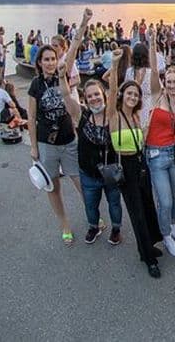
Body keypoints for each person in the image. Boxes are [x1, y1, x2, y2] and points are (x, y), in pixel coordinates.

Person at [27, 9, 90, 245]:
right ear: (40, 63)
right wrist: (34, 147)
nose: (51, 62)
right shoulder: (35, 85)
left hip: (68, 139)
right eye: (47, 59)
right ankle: (64, 223)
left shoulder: (63, 75)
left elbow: (73, 46)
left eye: (53, 58)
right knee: (52, 187)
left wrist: (83, 22)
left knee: (80, 181)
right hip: (47, 144)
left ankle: (91, 215)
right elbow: (31, 117)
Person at [107, 48, 163, 278]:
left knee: (148, 205)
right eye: (129, 94)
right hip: (126, 167)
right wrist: (115, 63)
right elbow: (111, 89)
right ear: (122, 96)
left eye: (136, 95)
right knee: (137, 212)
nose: (132, 97)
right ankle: (147, 258)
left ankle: (149, 245)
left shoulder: (137, 116)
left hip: (141, 164)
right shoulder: (114, 115)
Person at [59, 57, 123, 246]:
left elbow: (114, 88)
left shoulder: (112, 114)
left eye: (97, 94)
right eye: (90, 96)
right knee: (90, 205)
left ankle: (116, 229)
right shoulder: (81, 115)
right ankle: (94, 226)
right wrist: (62, 76)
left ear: (103, 95)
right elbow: (65, 95)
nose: (94, 98)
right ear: (86, 99)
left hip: (110, 171)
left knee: (114, 204)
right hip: (88, 172)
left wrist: (115, 64)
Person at [145, 59, 175, 258]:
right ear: (164, 82)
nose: (172, 85)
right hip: (156, 154)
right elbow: (154, 70)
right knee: (164, 201)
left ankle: (174, 225)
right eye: (169, 81)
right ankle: (165, 235)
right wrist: (152, 41)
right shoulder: (157, 96)